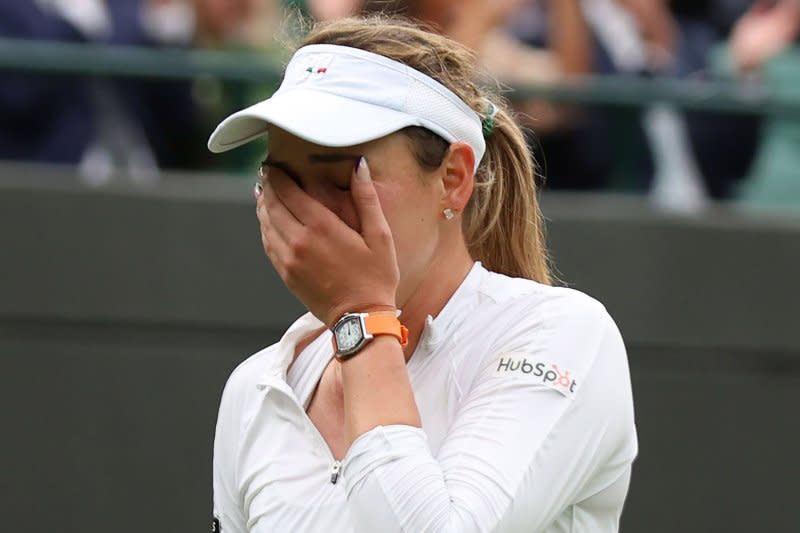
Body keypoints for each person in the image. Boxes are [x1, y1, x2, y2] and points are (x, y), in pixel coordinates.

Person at [208, 15, 637, 533]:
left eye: (342, 175)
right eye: (282, 180)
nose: (309, 214)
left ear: (453, 180)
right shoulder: (254, 388)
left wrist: (360, 318)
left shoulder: (566, 335)